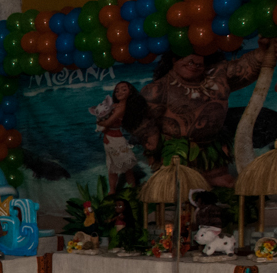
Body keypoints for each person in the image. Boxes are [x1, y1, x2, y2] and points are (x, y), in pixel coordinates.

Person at [125, 40, 271, 185]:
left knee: (226, 184)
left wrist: (264, 51)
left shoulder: (218, 75)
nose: (195, 62)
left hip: (212, 153)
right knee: (179, 194)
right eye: (188, 58)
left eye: (199, 56)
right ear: (174, 60)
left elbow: (245, 67)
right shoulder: (157, 90)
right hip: (177, 156)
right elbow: (140, 122)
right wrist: (153, 150)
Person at [92, 81, 141, 192]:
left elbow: (108, 122)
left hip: (117, 139)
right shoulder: (114, 105)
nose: (119, 92)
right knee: (111, 167)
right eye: (117, 90)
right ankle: (112, 191)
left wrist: (100, 123)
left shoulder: (122, 107)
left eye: (124, 89)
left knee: (127, 167)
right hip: (108, 139)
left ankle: (131, 190)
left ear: (130, 92)